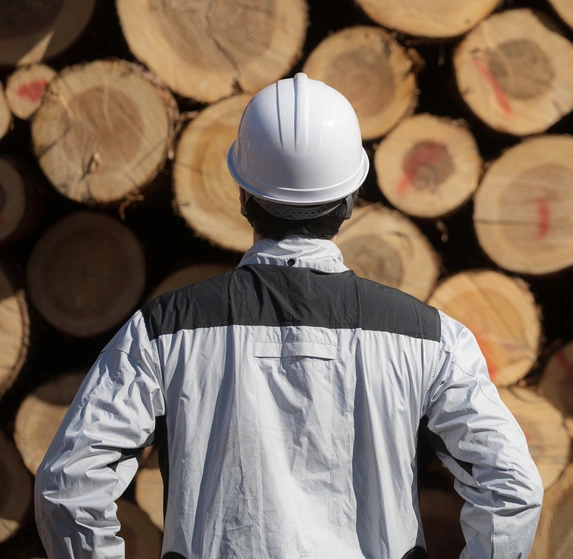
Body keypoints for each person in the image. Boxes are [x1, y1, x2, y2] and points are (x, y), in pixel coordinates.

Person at [34, 73, 543, 559]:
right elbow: (513, 489)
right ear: (349, 199)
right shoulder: (433, 340)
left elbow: (69, 486)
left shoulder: (161, 331)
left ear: (243, 194)